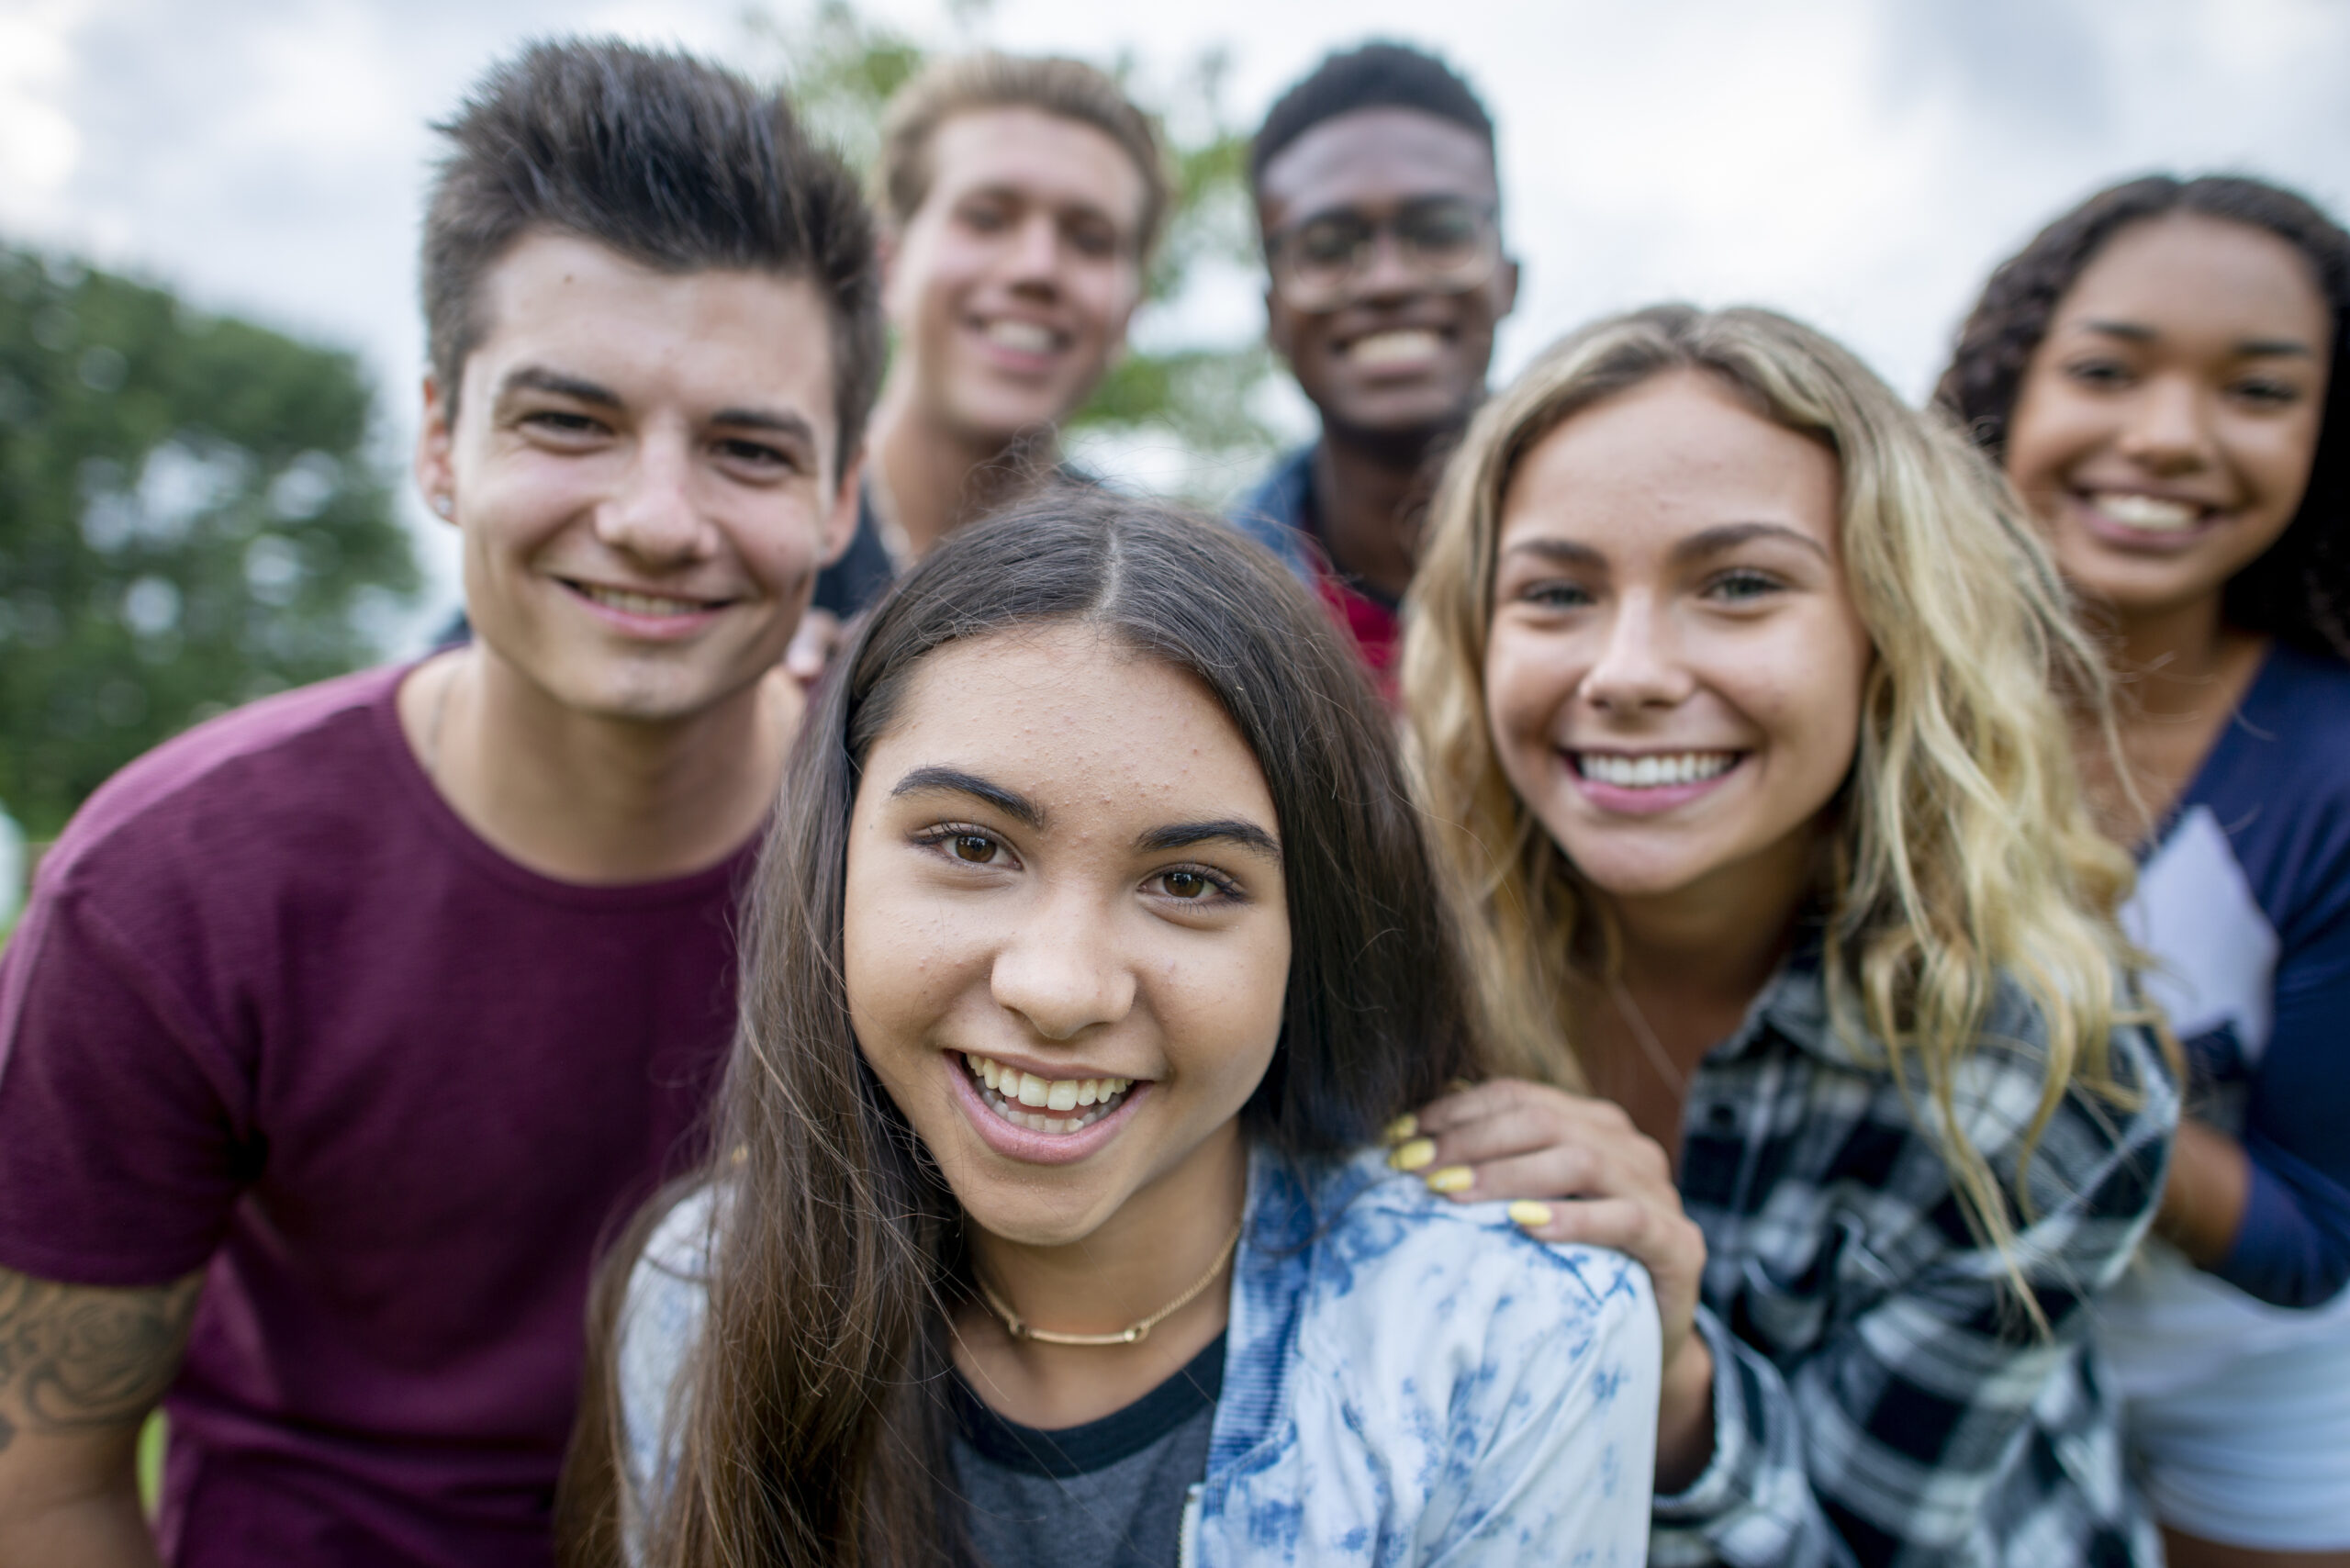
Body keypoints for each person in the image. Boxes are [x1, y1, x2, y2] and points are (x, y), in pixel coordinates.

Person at [0, 40, 878, 1566]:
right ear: (436, 441)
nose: (655, 519)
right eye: (568, 421)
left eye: (746, 448)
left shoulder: (923, 852)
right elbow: (41, 1482)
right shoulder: (168, 887)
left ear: (840, 496)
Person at [560, 494, 1661, 1568]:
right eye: (971, 845)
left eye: (1188, 881)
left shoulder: (1513, 1340)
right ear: (834, 856)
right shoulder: (703, 1296)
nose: (1059, 988)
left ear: (1315, 932)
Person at [1393, 304, 2179, 1563]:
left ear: (1892, 633)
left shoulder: (2031, 1077)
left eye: (1740, 585)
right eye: (1556, 592)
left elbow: (1862, 1547)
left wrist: (1674, 1379)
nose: (1627, 672)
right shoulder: (1385, 974)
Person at [1939, 174, 2350, 1568]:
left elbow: (2312, 1240)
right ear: (2007, 393)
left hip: (2253, 1409)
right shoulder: (1882, 703)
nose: (2168, 436)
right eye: (2107, 371)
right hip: (1950, 1364)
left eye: (2259, 391)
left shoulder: (2329, 771)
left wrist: (2037, 1064)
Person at [784, 51, 1170, 680]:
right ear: (887, 265)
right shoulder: (758, 539)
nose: (1037, 268)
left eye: (1090, 239)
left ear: (1132, 311)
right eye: (986, 218)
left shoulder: (1159, 601)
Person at [1229, 41, 1519, 698]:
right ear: (1272, 313)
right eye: (1327, 248)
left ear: (1509, 278)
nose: (1388, 281)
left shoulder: (1641, 558)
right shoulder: (1194, 626)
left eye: (1439, 232)